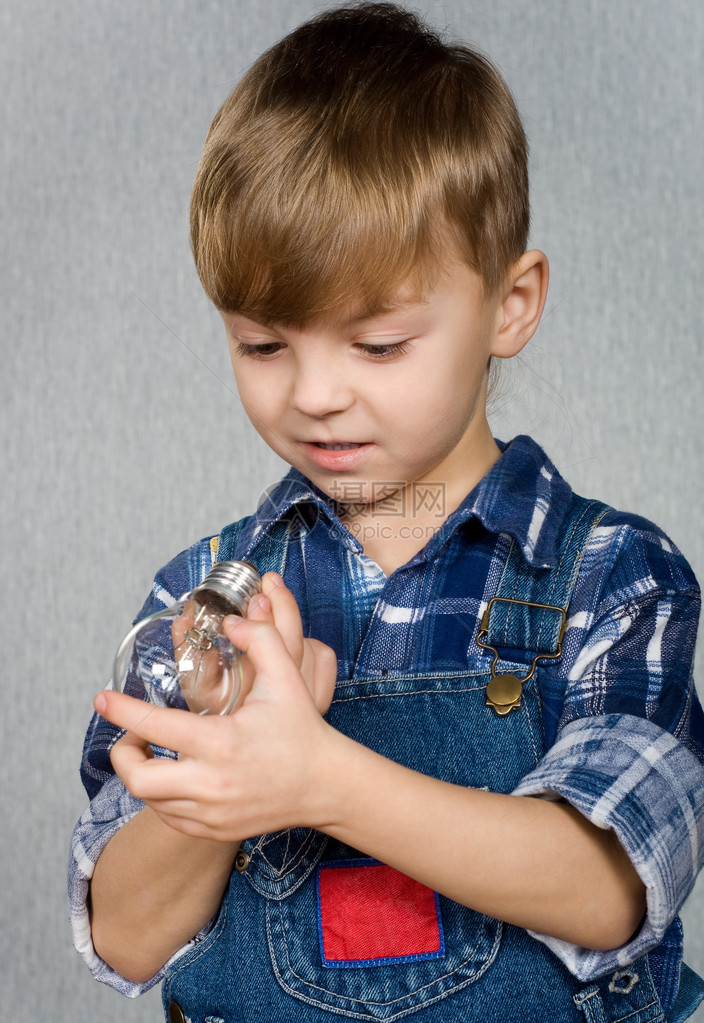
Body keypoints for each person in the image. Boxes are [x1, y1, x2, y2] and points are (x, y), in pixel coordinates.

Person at [69, 4, 704, 1021]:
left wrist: (317, 778)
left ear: (510, 304)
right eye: (264, 345)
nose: (314, 393)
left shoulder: (607, 575)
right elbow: (124, 935)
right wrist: (223, 775)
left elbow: (606, 888)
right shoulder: (203, 603)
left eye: (376, 345)